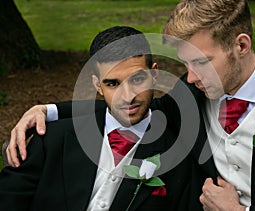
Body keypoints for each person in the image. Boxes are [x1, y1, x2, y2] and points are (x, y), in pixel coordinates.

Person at [5, 0, 255, 210]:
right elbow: (132, 107)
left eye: (201, 62)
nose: (191, 76)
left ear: (242, 45)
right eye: (186, 63)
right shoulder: (192, 93)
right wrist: (48, 111)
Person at [0, 26, 195, 210]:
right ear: (97, 85)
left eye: (137, 80)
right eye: (112, 84)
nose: (127, 96)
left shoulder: (178, 159)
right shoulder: (52, 139)